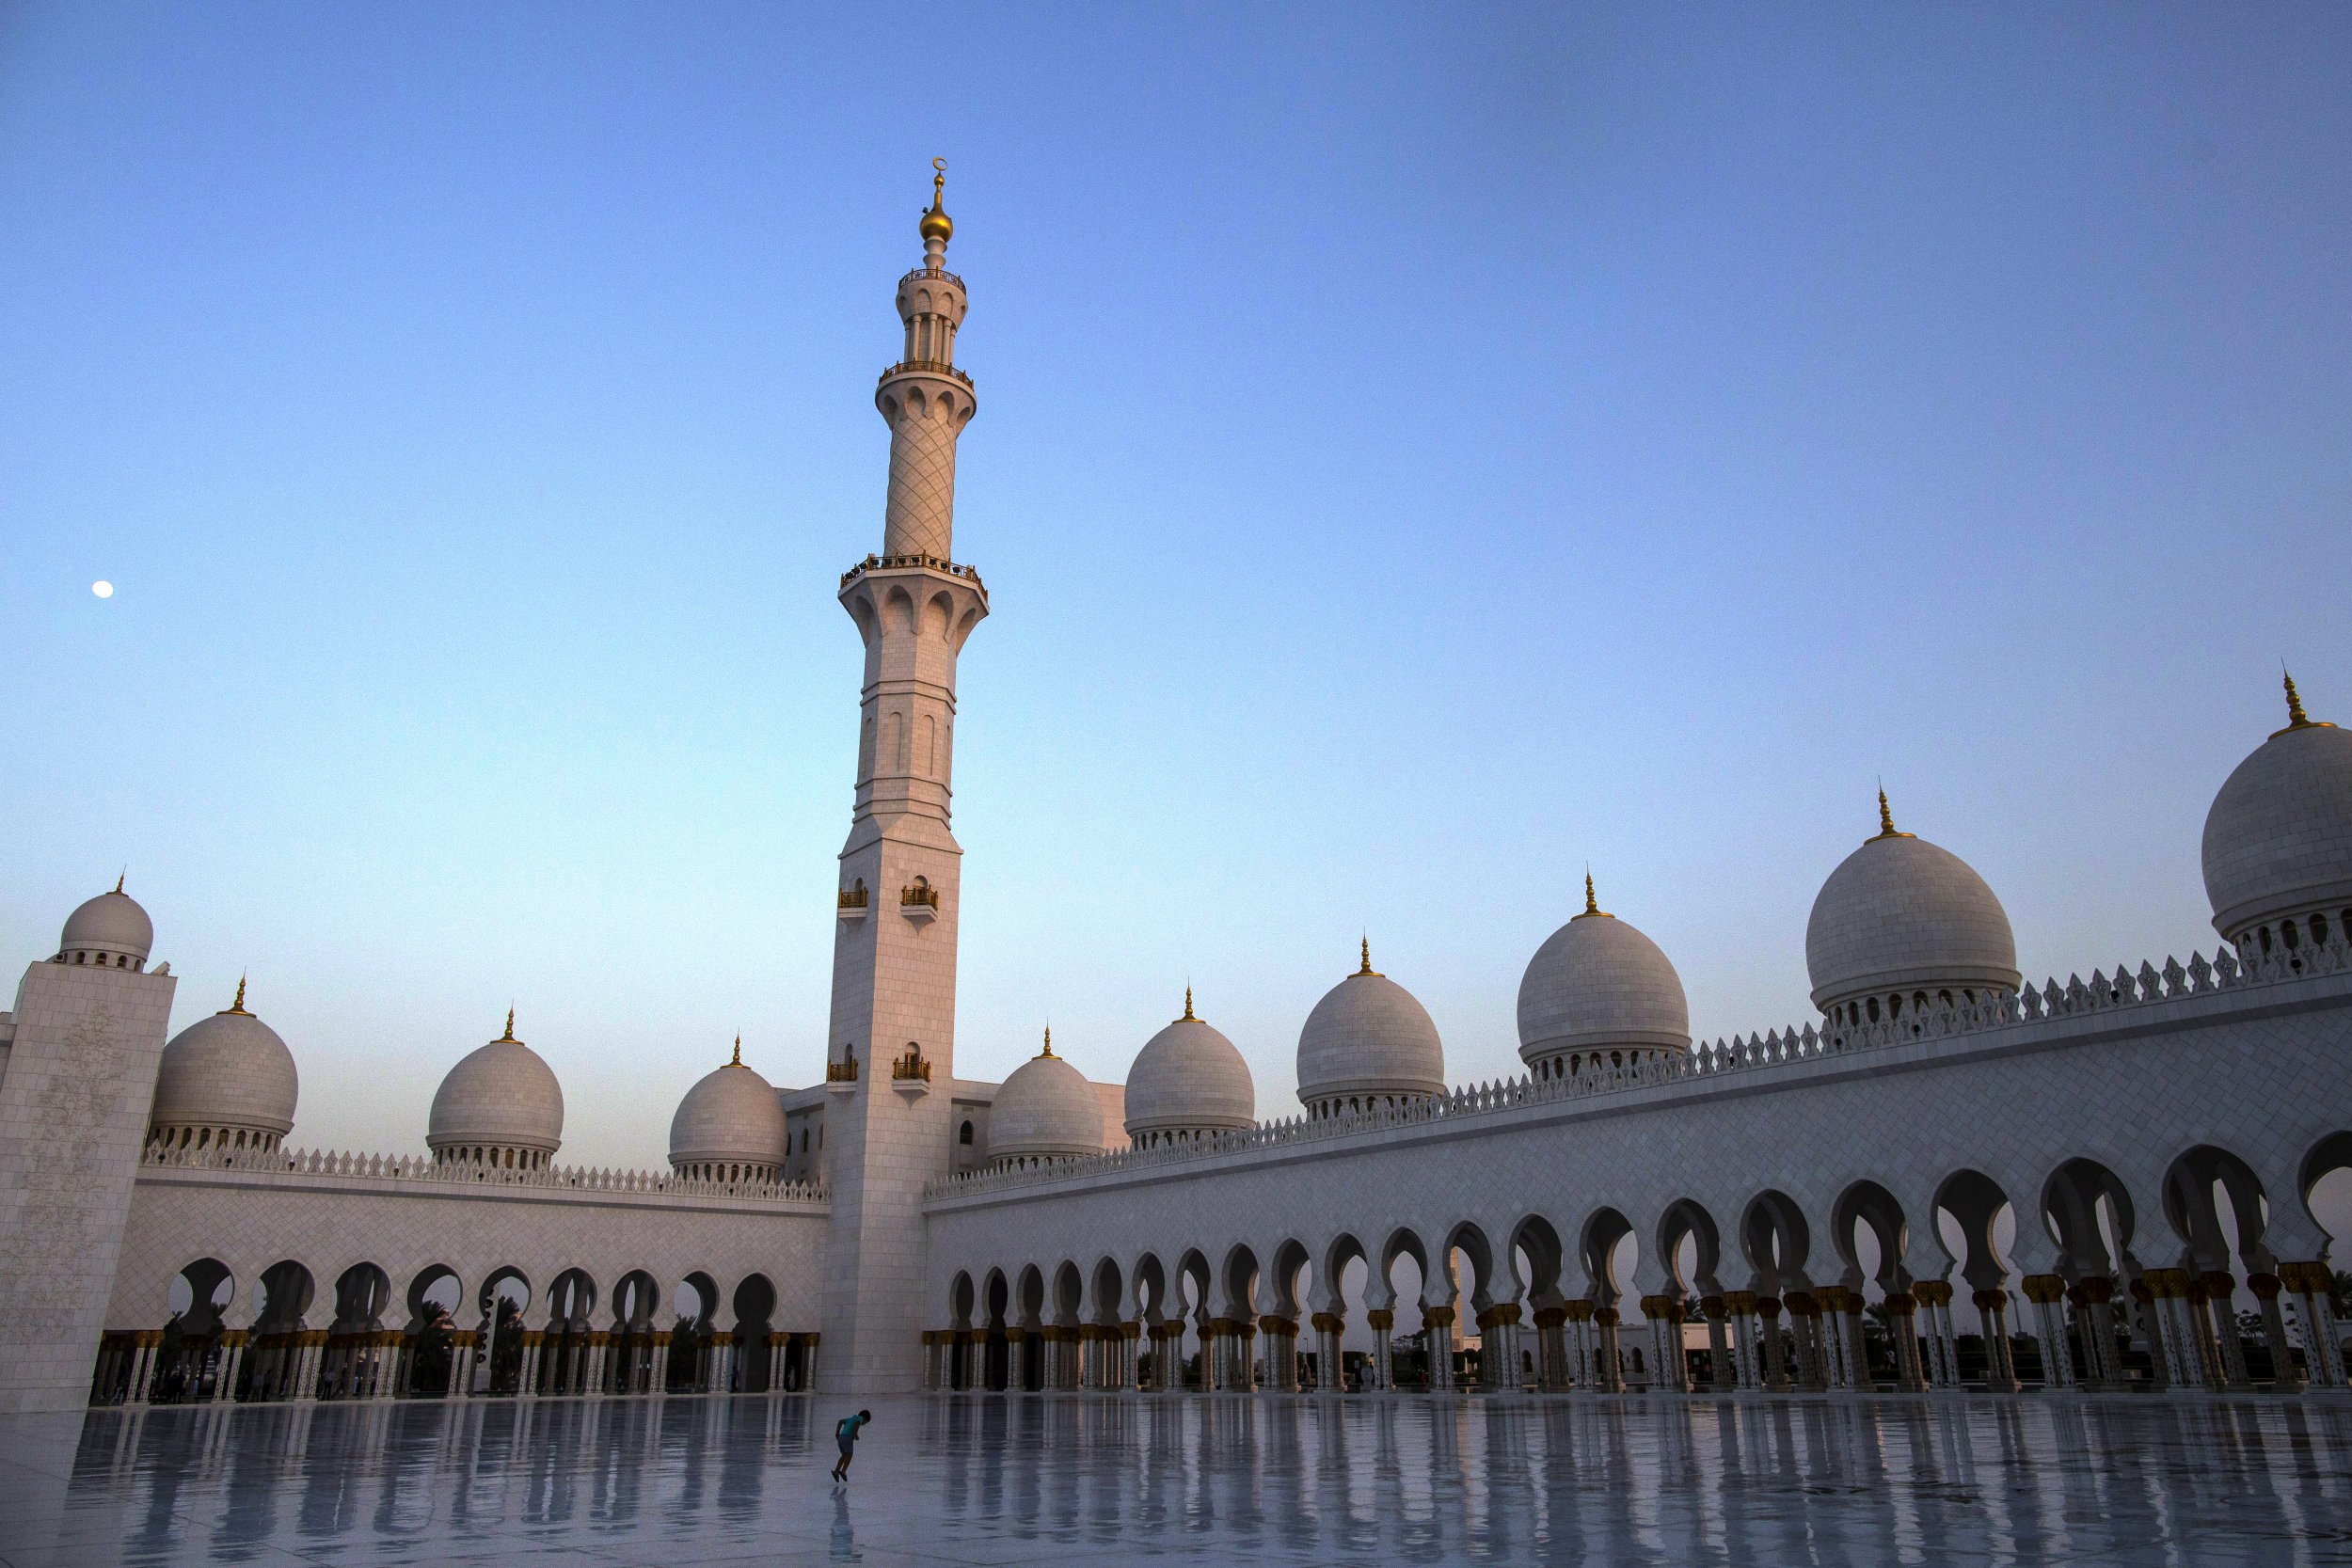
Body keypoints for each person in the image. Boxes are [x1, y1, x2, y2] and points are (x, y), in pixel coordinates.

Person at [831, 1408, 872, 1481]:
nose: (864, 1424)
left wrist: (837, 1433)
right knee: (850, 1454)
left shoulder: (850, 1418)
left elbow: (840, 1421)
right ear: (864, 1418)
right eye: (865, 1422)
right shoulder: (859, 1418)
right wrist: (855, 1434)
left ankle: (836, 1471)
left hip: (841, 1438)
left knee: (844, 1455)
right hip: (848, 1437)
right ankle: (843, 1471)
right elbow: (857, 1423)